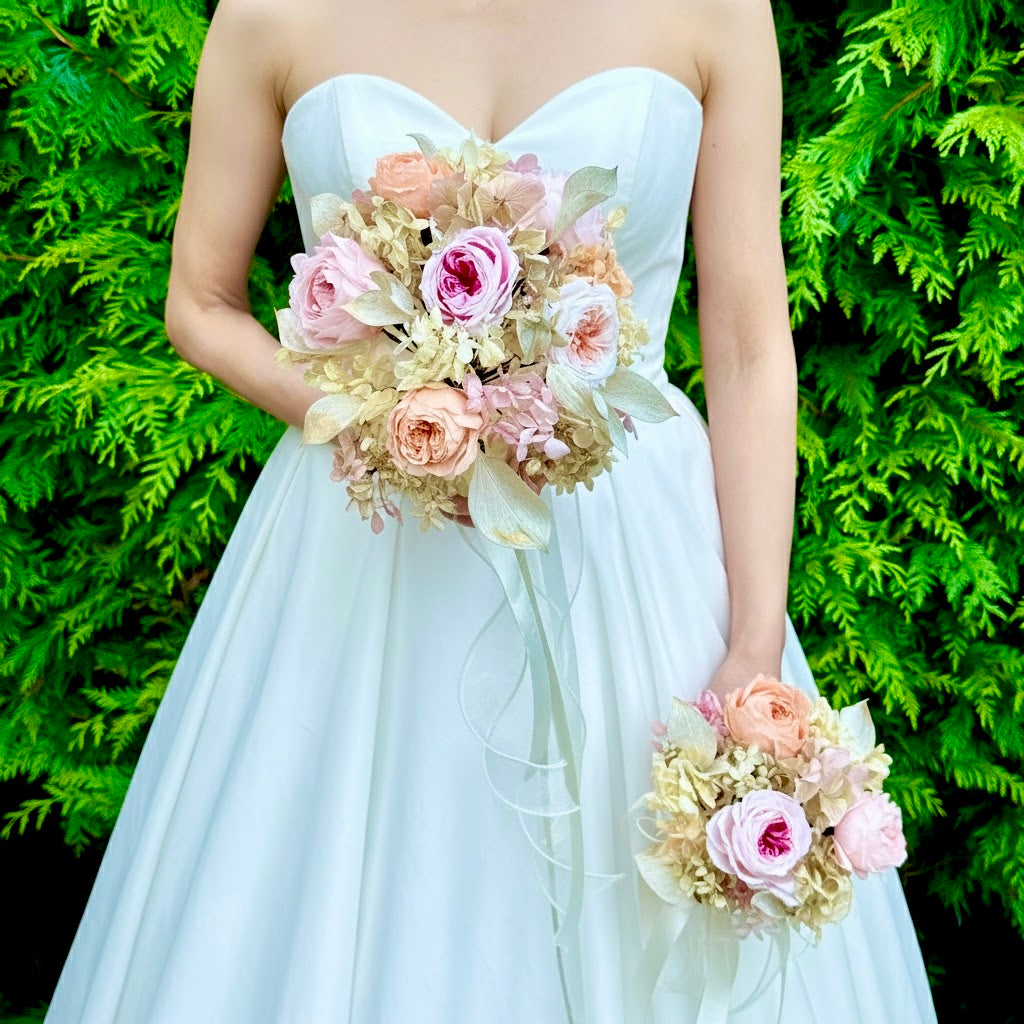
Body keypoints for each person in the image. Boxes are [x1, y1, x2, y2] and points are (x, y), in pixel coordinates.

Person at [43, 0, 940, 1021]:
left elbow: (745, 348)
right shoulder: (272, 12)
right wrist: (379, 419)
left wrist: (752, 642)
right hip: (364, 541)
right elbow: (199, 299)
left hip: (632, 542)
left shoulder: (717, 13)